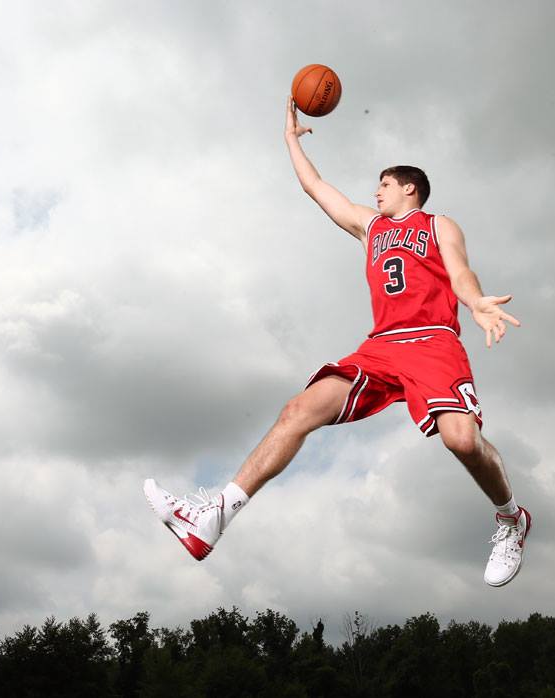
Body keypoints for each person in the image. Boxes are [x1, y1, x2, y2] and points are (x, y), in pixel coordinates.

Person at [143, 99, 529, 586]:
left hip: (432, 340)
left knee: (461, 440)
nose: (377, 191)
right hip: (382, 345)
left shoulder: (437, 225)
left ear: (410, 188)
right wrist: (290, 140)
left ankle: (512, 518)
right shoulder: (371, 227)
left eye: (385, 184)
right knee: (298, 411)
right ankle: (211, 519)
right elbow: (316, 188)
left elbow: (459, 270)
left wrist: (474, 303)